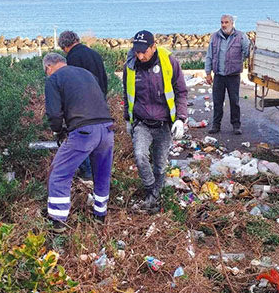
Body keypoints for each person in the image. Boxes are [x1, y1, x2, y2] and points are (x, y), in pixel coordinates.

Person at [43, 53, 114, 232]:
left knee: (59, 173)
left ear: (48, 67)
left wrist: (58, 131)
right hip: (106, 128)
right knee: (102, 174)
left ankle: (58, 221)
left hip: (83, 132)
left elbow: (53, 113)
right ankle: (100, 214)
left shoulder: (53, 79)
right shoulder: (86, 74)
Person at [123, 30, 187, 213]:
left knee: (160, 164)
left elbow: (181, 92)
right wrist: (128, 118)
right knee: (140, 155)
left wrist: (180, 119)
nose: (140, 56)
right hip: (142, 123)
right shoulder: (131, 65)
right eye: (137, 51)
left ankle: (153, 201)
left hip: (163, 123)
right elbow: (126, 94)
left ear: (154, 47)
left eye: (144, 51)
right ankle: (152, 190)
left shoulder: (169, 63)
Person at [58, 30, 109, 180]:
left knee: (82, 139)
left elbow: (73, 84)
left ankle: (87, 173)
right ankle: (97, 172)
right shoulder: (94, 54)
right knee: (97, 139)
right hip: (99, 103)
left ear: (65, 46)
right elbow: (104, 79)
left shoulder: (72, 58)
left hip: (82, 107)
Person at [204, 14, 251, 135]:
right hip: (219, 75)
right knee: (217, 101)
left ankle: (236, 125)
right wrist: (208, 73)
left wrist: (251, 52)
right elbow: (209, 56)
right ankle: (216, 125)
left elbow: (248, 52)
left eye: (226, 22)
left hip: (233, 75)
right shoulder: (214, 37)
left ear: (232, 23)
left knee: (234, 101)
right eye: (222, 22)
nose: (224, 25)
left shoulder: (241, 36)